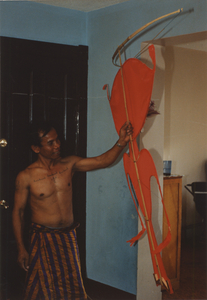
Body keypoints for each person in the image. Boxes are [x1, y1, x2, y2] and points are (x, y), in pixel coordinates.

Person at [12, 120, 133, 300]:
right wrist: (21, 248)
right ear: (36, 148)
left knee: (72, 286)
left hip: (68, 238)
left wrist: (121, 141)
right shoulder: (26, 176)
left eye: (57, 140)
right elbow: (18, 212)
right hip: (43, 239)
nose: (57, 145)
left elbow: (102, 161)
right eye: (51, 143)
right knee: (41, 290)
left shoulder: (69, 164)